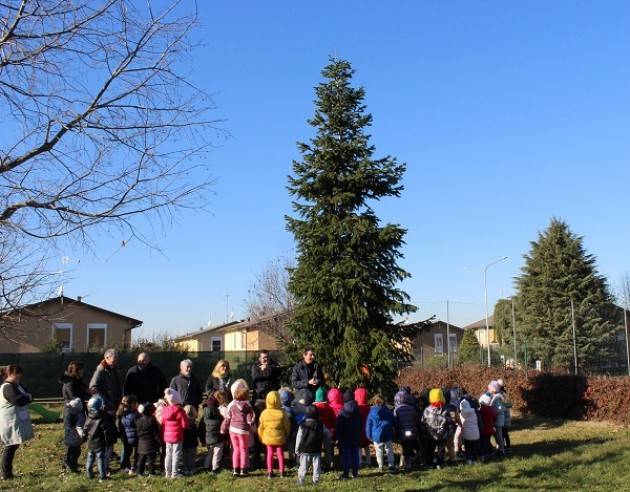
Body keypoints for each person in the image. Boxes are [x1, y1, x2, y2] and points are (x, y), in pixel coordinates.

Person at [0, 365, 33, 480]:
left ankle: (7, 472)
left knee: (13, 445)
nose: (20, 377)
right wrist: (27, 397)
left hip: (17, 420)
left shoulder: (17, 385)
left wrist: (27, 397)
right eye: (17, 375)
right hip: (9, 421)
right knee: (10, 445)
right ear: (10, 374)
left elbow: (30, 395)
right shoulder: (7, 387)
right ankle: (5, 474)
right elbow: (18, 400)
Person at [221, 386, 254, 476]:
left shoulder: (232, 405)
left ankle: (235, 469)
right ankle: (243, 469)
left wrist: (223, 428)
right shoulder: (248, 405)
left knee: (235, 449)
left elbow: (227, 419)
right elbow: (249, 418)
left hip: (233, 430)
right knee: (243, 449)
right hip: (243, 431)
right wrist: (250, 423)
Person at [83, 395, 118, 482]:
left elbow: (85, 429)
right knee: (100, 459)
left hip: (91, 442)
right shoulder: (102, 417)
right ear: (100, 406)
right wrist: (108, 441)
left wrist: (84, 438)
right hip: (100, 442)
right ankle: (103, 476)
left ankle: (89, 474)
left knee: (90, 457)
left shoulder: (89, 416)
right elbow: (105, 431)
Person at [258, 390, 291, 479]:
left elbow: (261, 427)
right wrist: (286, 434)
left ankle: (270, 472)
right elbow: (287, 425)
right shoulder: (282, 413)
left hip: (268, 438)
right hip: (280, 437)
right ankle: (282, 472)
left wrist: (261, 437)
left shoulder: (264, 413)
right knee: (280, 454)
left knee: (269, 454)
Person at [422, 388, 453, 470]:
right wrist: (448, 431)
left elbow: (423, 421)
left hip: (430, 434)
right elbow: (449, 421)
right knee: (441, 449)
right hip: (442, 434)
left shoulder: (427, 409)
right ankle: (440, 463)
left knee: (429, 449)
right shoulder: (445, 409)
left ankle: (429, 464)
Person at [161, 388, 188, 478]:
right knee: (176, 454)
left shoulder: (164, 410)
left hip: (167, 436)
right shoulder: (180, 410)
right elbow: (185, 425)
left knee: (168, 454)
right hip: (177, 436)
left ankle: (167, 473)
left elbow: (163, 423)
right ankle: (175, 473)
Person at [295, 405, 325, 486]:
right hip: (317, 449)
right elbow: (327, 433)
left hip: (305, 449)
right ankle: (316, 480)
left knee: (303, 466)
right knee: (317, 466)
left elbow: (299, 437)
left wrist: (297, 449)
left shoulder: (303, 425)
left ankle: (301, 479)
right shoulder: (320, 424)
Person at [336, 390, 362, 480]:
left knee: (346, 457)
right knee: (355, 455)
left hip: (345, 438)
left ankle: (346, 474)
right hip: (356, 437)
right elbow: (360, 423)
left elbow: (339, 426)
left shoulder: (342, 411)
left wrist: (338, 437)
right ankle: (355, 473)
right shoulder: (358, 410)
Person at [366, 395, 395, 472]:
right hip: (387, 432)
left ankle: (380, 465)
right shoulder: (388, 410)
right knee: (389, 449)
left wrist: (369, 435)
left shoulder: (371, 412)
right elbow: (393, 420)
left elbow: (369, 424)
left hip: (376, 435)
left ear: (374, 402)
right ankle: (391, 465)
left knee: (378, 450)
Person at [393, 390, 421, 471]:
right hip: (412, 431)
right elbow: (416, 419)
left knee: (405, 448)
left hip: (402, 432)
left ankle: (407, 463)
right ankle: (412, 460)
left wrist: (395, 431)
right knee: (410, 445)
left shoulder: (396, 410)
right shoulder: (411, 408)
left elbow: (395, 421)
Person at [89, 348, 123, 413]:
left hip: (116, 402)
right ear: (107, 358)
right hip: (106, 405)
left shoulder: (115, 369)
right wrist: (104, 401)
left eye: (116, 361)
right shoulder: (100, 370)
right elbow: (93, 388)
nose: (115, 363)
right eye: (113, 361)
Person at [135, 403, 161, 477]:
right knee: (151, 460)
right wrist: (159, 441)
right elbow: (155, 433)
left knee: (141, 459)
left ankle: (139, 472)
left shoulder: (138, 420)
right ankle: (151, 472)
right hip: (150, 443)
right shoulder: (152, 420)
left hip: (141, 442)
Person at [116, 394, 140, 474]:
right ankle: (134, 466)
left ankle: (124, 466)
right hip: (135, 436)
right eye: (137, 403)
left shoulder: (121, 412)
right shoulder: (135, 415)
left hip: (125, 436)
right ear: (133, 404)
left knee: (126, 451)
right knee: (137, 452)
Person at [313, 387, 335, 470]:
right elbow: (333, 420)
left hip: (317, 431)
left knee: (317, 449)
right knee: (328, 449)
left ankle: (317, 465)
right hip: (328, 431)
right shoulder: (329, 408)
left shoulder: (314, 408)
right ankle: (328, 464)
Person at [202, 394, 224, 474]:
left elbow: (201, 428)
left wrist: (202, 439)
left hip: (208, 439)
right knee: (217, 453)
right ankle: (215, 468)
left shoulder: (204, 417)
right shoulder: (220, 416)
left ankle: (206, 466)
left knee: (209, 453)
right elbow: (223, 427)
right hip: (218, 439)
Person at [63, 398, 86, 473]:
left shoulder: (71, 412)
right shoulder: (72, 414)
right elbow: (77, 427)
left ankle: (71, 462)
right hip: (72, 436)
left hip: (72, 435)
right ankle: (71, 466)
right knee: (74, 451)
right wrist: (82, 434)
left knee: (74, 450)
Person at [459, 399, 481, 464]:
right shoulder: (474, 411)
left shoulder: (461, 413)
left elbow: (461, 423)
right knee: (474, 447)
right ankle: (475, 459)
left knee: (468, 448)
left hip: (466, 434)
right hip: (475, 433)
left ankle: (469, 459)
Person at [354, 387, 371, 466]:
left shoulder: (356, 408)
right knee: (366, 446)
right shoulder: (368, 408)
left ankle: (360, 460)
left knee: (359, 447)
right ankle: (368, 460)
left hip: (359, 430)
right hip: (366, 431)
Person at [488, 381, 506, 455]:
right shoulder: (496, 396)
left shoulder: (497, 397)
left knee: (498, 435)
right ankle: (500, 449)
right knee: (497, 435)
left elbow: (500, 408)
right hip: (497, 418)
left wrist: (492, 410)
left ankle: (501, 450)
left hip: (498, 419)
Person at [182, 405, 199, 475]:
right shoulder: (194, 424)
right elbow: (196, 434)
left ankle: (185, 468)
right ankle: (191, 468)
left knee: (185, 456)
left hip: (184, 443)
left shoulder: (183, 423)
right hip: (192, 443)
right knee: (192, 456)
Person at [498, 379, 513, 452]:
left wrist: (503, 406)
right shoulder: (504, 394)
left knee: (503, 433)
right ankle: (506, 447)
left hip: (504, 416)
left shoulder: (502, 394)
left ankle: (506, 447)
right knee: (504, 433)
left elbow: (509, 404)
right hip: (504, 416)